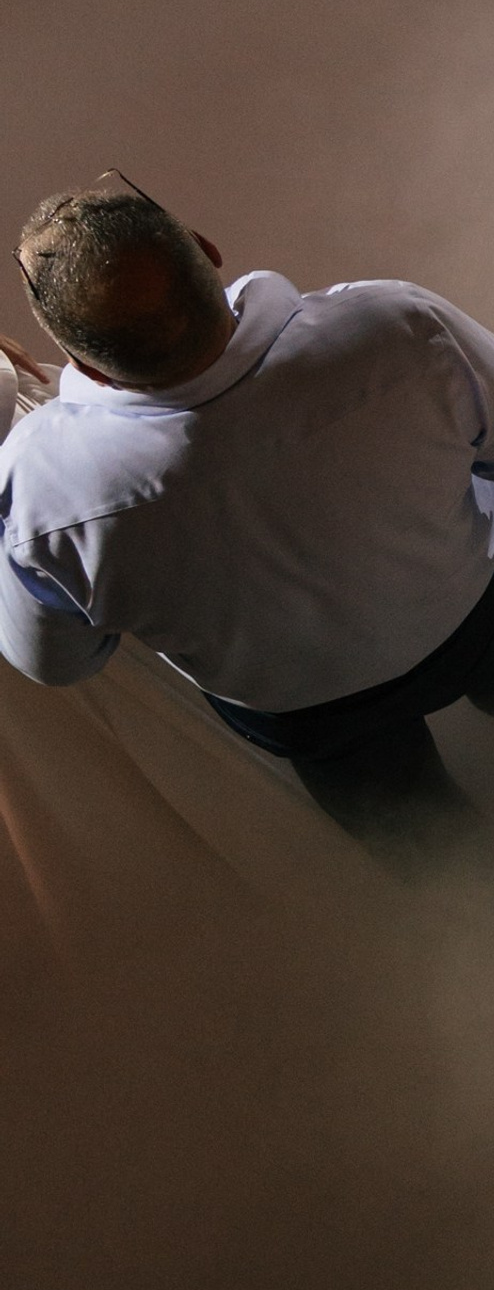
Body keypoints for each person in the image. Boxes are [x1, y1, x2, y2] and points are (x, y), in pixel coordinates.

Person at [0, 181, 494, 859]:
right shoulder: (392, 325)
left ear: (86, 361)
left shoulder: (41, 492)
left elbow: (53, 662)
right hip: (482, 612)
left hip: (309, 709)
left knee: (435, 849)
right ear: (210, 255)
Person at [0, 332, 372, 978]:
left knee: (131, 784)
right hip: (63, 596)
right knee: (162, 768)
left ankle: (306, 922)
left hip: (69, 590)